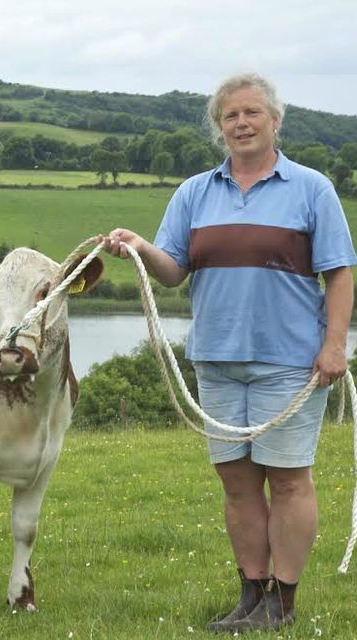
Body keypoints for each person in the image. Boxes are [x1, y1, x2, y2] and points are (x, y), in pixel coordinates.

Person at [101, 73, 355, 633]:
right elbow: (171, 271)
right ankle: (251, 594)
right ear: (220, 127)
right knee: (238, 483)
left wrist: (335, 344)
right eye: (230, 116)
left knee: (288, 479)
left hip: (290, 362)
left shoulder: (311, 188)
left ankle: (282, 604)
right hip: (215, 359)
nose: (241, 124)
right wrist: (142, 249)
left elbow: (339, 271)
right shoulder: (194, 193)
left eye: (251, 113)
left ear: (275, 121)